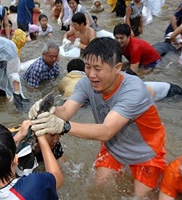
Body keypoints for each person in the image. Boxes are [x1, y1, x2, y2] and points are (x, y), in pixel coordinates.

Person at [29, 37, 167, 197]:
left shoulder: (134, 90)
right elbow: (66, 110)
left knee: (140, 196)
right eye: (87, 67)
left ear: (117, 68)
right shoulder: (86, 83)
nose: (91, 74)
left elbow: (107, 130)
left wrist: (64, 126)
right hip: (113, 147)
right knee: (98, 189)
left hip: (146, 152)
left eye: (98, 68)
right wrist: (47, 109)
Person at [0, 123, 63, 199]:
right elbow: (57, 176)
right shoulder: (34, 184)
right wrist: (41, 138)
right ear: (15, 159)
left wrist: (19, 135)